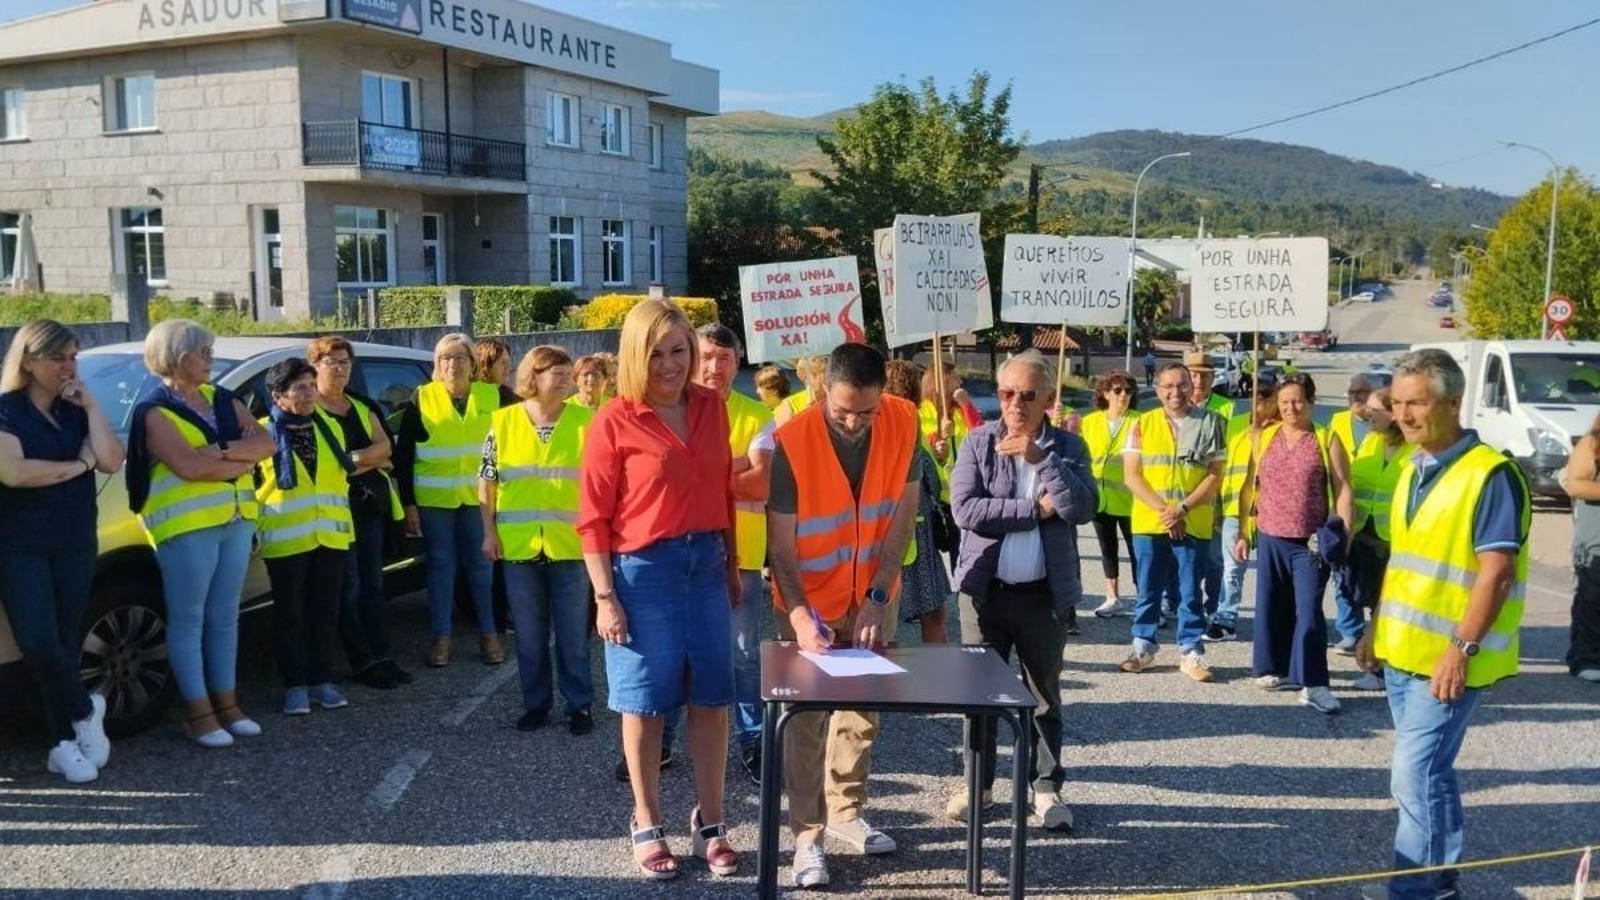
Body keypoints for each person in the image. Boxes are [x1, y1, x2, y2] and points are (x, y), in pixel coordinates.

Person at [1354, 348, 1530, 900]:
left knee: (1413, 776)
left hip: (1446, 661)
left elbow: (1496, 573)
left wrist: (1461, 648)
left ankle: (1415, 892)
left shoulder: (1490, 476)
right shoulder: (1411, 466)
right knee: (1430, 775)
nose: (1403, 415)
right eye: (1397, 403)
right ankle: (1441, 884)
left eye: (1417, 403)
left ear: (1453, 402)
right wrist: (1375, 626)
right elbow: (1402, 560)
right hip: (1403, 653)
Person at [578, 299, 740, 881]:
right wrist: (605, 597)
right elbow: (592, 519)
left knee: (712, 697)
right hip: (642, 572)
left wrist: (731, 564)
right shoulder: (613, 421)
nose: (671, 364)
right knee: (644, 703)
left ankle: (711, 822)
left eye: (680, 351)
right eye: (657, 353)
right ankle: (646, 819)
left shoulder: (711, 407)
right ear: (633, 356)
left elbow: (722, 488)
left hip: (707, 564)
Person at [767, 342, 919, 889]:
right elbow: (780, 548)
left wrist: (879, 594)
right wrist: (802, 616)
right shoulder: (791, 440)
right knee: (806, 719)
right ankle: (807, 837)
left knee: (863, 708)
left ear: (884, 397)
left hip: (874, 591)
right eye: (843, 411)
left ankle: (847, 812)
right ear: (821, 392)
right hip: (807, 595)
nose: (854, 421)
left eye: (866, 411)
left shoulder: (905, 421)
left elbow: (904, 512)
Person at [946, 350, 1096, 830]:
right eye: (1007, 393)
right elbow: (966, 510)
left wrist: (1041, 460)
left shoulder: (1070, 447)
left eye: (1027, 395)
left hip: (1042, 595)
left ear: (1048, 399)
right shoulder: (977, 442)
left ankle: (1046, 788)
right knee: (978, 695)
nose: (1015, 404)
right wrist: (1034, 511)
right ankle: (978, 784)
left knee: (1044, 697)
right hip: (984, 592)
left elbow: (1082, 508)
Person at [128, 319, 274, 747]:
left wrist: (221, 452)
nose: (210, 359)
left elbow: (266, 445)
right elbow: (187, 467)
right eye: (203, 352)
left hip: (235, 520)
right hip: (187, 527)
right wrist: (234, 459)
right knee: (189, 619)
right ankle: (199, 713)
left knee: (225, 616)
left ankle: (228, 706)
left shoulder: (222, 399)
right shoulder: (153, 411)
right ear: (176, 357)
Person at [0, 320, 124, 783]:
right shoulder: (7, 410)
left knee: (65, 642)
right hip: (22, 543)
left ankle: (61, 742)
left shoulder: (76, 411)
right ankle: (83, 706)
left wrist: (91, 406)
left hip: (75, 539)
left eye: (73, 356)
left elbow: (112, 459)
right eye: (58, 357)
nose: (68, 366)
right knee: (37, 640)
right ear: (29, 361)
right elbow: (15, 473)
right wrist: (79, 463)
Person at [480, 345, 595, 735]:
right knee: (529, 638)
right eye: (557, 373)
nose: (566, 380)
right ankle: (536, 705)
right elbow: (487, 481)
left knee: (573, 636)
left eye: (568, 373)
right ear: (534, 376)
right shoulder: (504, 421)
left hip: (571, 545)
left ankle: (579, 706)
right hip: (519, 547)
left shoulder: (586, 421)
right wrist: (488, 532)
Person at [393, 333, 514, 668]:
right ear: (437, 364)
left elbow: (519, 434)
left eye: (460, 357)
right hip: (435, 499)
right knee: (441, 567)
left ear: (473, 363)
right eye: (445, 358)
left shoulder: (494, 395)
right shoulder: (422, 398)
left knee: (481, 567)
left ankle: (489, 634)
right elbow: (403, 456)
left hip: (479, 499)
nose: (452, 363)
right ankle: (441, 638)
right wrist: (409, 504)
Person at [1236, 374, 1353, 714]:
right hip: (1271, 534)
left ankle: (1314, 684)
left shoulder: (1326, 437)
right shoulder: (1263, 436)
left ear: (1311, 402)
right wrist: (1244, 531)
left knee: (1310, 614)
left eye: (1298, 401)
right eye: (1285, 401)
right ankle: (1274, 668)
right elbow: (1249, 486)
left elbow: (1344, 488)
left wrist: (1345, 533)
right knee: (1272, 606)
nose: (1291, 408)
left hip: (1310, 540)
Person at [309, 337, 411, 692]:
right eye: (331, 361)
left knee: (372, 584)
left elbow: (388, 449)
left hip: (370, 508)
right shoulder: (311, 410)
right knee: (348, 588)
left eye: (344, 361)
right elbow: (331, 461)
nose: (339, 367)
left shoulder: (361, 405)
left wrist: (355, 459)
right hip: (335, 511)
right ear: (315, 366)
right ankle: (362, 660)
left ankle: (382, 655)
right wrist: (367, 459)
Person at [256, 358, 355, 715]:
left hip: (330, 535)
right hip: (285, 538)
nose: (309, 393)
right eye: (300, 387)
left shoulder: (329, 425)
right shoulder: (261, 432)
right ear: (278, 394)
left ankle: (324, 681)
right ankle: (294, 685)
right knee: (290, 615)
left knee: (324, 612)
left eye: (311, 385)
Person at [1120, 363, 1226, 681]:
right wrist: (1166, 512)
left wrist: (1182, 509)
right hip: (1150, 522)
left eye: (1181, 385)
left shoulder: (1212, 422)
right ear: (1157, 389)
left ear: (1190, 386)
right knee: (1148, 589)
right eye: (1167, 386)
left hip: (1193, 521)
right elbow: (1132, 475)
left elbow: (1214, 476)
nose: (1175, 392)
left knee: (1190, 590)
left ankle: (1191, 651)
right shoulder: (1142, 423)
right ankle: (1143, 646)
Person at [884, 359, 954, 643]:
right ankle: (935, 681)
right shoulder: (907, 418)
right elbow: (930, 480)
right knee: (933, 615)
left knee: (880, 621)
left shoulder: (871, 419)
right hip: (915, 534)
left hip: (882, 533)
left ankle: (881, 682)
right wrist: (936, 461)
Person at [1345, 386, 1409, 691]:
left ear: (1394, 414)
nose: (1367, 414)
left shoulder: (1414, 448)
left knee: (1392, 606)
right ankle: (1378, 665)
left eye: (1375, 410)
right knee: (1372, 603)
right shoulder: (1370, 441)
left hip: (1399, 541)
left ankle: (1386, 670)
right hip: (1366, 537)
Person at [1207, 387, 1280, 642]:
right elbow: (1220, 467)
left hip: (1270, 510)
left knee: (1273, 569)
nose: (1261, 402)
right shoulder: (1234, 425)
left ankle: (1277, 617)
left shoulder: (1282, 429)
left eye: (1268, 397)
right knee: (1232, 567)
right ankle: (1226, 618)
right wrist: (1215, 507)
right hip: (1233, 509)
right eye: (1257, 396)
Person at [1326, 373, 1377, 656]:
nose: (1355, 397)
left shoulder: (1383, 425)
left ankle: (1375, 632)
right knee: (1343, 574)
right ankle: (1349, 631)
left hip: (1374, 517)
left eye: (1361, 392)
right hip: (1344, 509)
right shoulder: (1337, 421)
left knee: (1373, 578)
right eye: (1352, 393)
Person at [1083, 371, 1139, 618]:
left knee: (1138, 551)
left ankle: (1144, 598)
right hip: (1100, 497)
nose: (1123, 395)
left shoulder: (1140, 420)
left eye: (1128, 390)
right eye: (1117, 390)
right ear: (1105, 393)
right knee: (1108, 549)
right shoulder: (1090, 422)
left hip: (1131, 499)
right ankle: (1112, 597)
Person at [1189, 365, 1232, 623]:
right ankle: (1183, 603)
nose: (1199, 380)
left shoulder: (1226, 407)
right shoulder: (1177, 405)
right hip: (1183, 491)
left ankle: (1213, 604)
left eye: (1205, 375)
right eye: (1194, 375)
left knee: (1215, 559)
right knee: (1185, 558)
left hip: (1215, 492)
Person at [1561, 412, 1600, 683]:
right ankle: (1586, 658)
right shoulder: (1591, 443)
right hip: (1595, 539)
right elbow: (1575, 484)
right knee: (1592, 597)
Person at [773, 355, 827, 425]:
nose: (825, 379)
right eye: (815, 375)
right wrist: (805, 415)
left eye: (828, 374)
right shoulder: (790, 404)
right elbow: (784, 433)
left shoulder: (836, 400)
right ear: (806, 377)